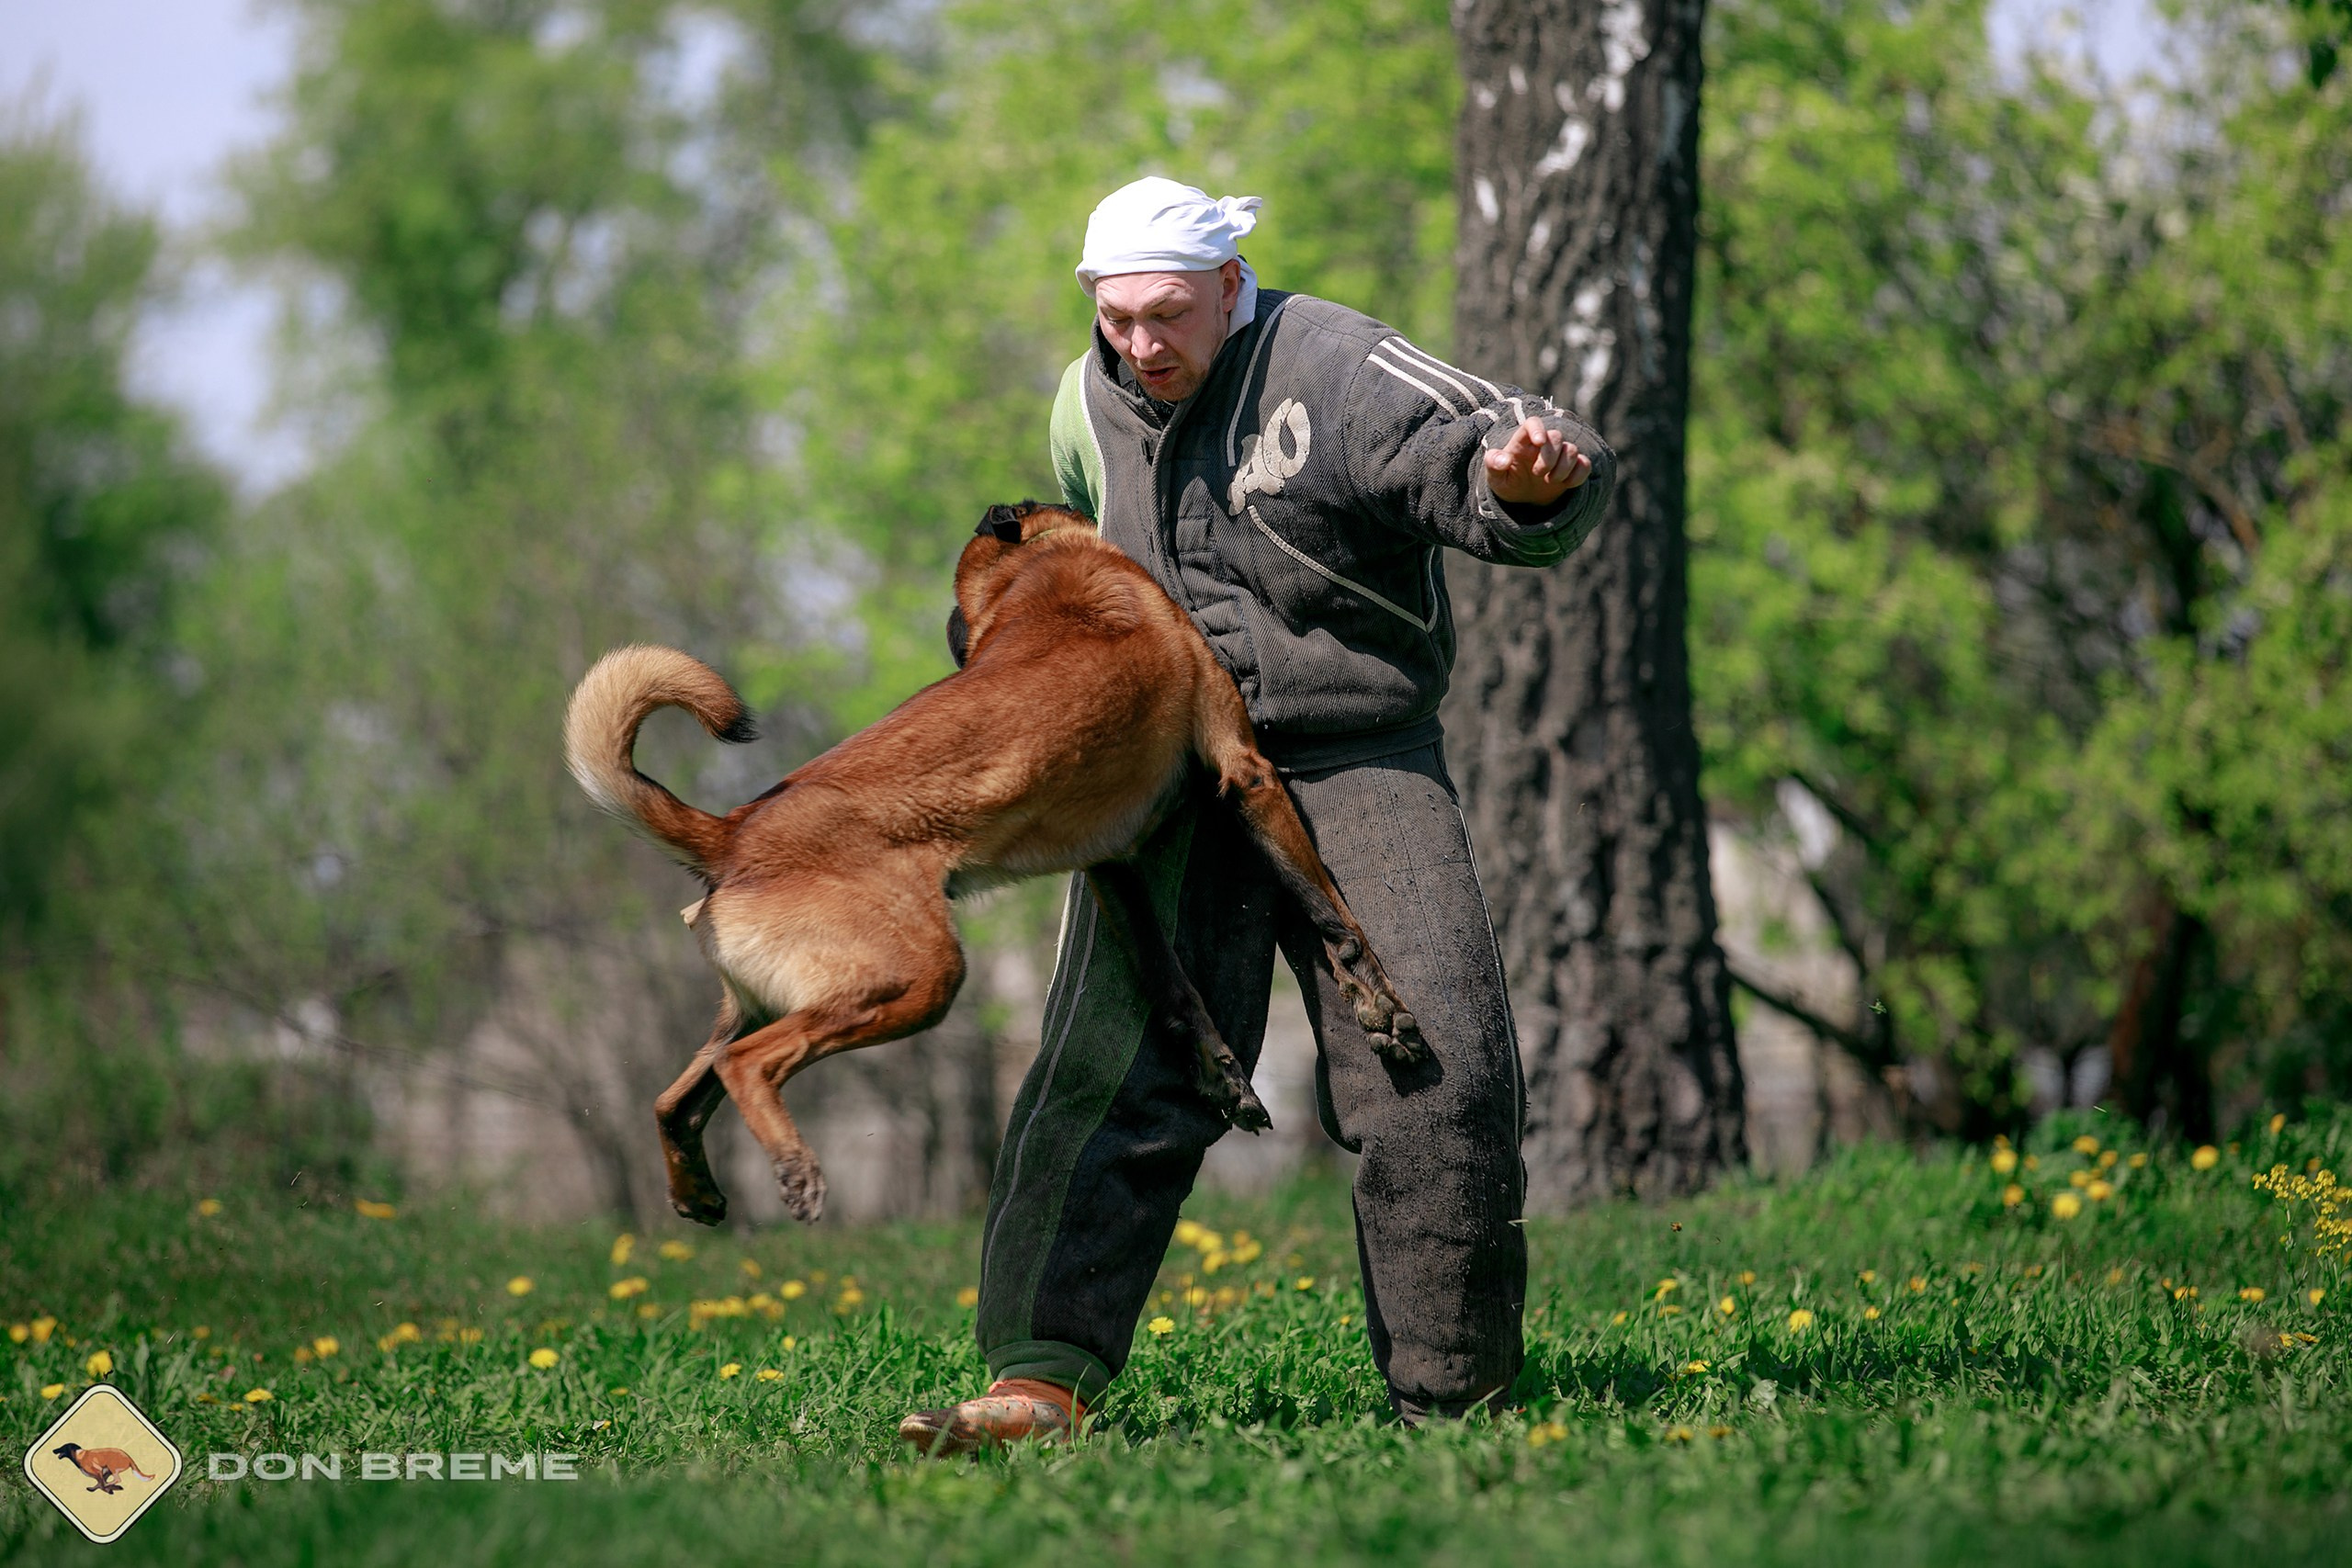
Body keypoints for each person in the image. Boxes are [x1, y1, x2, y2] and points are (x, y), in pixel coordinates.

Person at [899, 176, 1613, 1455]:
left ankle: (1454, 1408)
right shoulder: (1084, 399)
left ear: (1230, 286)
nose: (1141, 345)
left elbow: (1496, 446)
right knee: (1108, 1068)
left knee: (1437, 1074)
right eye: (1116, 319)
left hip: (1356, 760)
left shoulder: (1334, 362)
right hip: (1171, 773)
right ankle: (1037, 1384)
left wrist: (1533, 482)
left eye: (1167, 315)